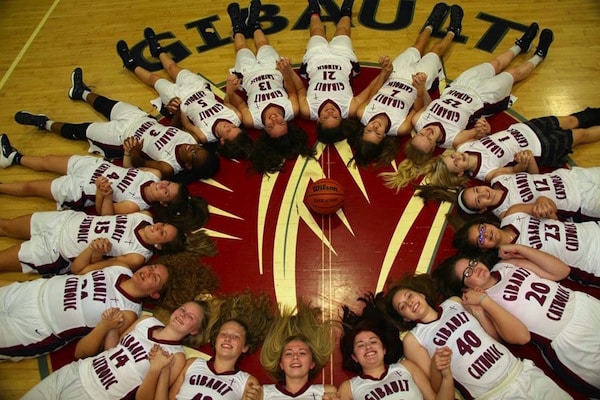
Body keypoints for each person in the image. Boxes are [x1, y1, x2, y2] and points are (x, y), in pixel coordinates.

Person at [380, 24, 555, 190]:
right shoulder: (454, 139)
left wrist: (421, 87)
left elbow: (428, 104)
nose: (427, 132)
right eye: (428, 138)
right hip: (483, 96)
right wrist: (483, 128)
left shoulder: (419, 121)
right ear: (434, 147)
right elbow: (480, 133)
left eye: (421, 134)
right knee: (513, 74)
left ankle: (520, 45)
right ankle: (539, 55)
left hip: (459, 85)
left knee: (496, 63)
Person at [433, 244, 600, 396]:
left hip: (582, 306)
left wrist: (520, 249)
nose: (475, 269)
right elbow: (517, 338)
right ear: (464, 287)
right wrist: (482, 303)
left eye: (473, 263)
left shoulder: (506, 265)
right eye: (467, 272)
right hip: (570, 339)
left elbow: (561, 271)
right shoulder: (483, 303)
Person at [14, 68, 219, 184]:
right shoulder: (190, 140)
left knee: (80, 130)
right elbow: (174, 128)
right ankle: (81, 92)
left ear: (189, 166)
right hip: (142, 119)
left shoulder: (168, 167)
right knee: (107, 104)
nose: (192, 148)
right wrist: (175, 113)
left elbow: (139, 164)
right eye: (197, 148)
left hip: (122, 136)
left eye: (193, 154)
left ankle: (44, 123)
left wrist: (136, 152)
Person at [383, 273, 571, 399]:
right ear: (405, 318)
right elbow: (435, 385)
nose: (409, 304)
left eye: (409, 296)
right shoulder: (413, 339)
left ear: (422, 295)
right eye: (402, 307)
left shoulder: (454, 303)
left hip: (521, 372)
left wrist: (479, 312)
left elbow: (494, 338)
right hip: (492, 394)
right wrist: (436, 366)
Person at [21, 300, 210, 400]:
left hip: (100, 396)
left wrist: (155, 369)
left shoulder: (176, 358)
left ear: (194, 331)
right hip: (78, 371)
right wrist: (110, 326)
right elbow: (112, 349)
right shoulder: (146, 321)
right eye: (183, 310)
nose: (182, 315)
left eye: (190, 317)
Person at [349, 2, 461, 166]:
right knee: (435, 51)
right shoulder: (400, 128)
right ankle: (453, 30)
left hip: (394, 75)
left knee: (417, 46)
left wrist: (384, 71)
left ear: (363, 130)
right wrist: (420, 88)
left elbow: (374, 93)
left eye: (369, 130)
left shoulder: (362, 114)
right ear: (384, 138)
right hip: (416, 83)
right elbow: (417, 109)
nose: (375, 126)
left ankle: (431, 24)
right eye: (378, 133)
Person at [116, 29, 253, 160]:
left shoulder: (205, 136)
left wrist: (180, 108)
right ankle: (158, 50)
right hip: (199, 89)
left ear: (222, 140)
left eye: (228, 131)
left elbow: (187, 125)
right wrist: (230, 90)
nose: (229, 126)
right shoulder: (236, 117)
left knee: (155, 79)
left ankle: (131, 65)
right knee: (173, 68)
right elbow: (227, 103)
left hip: (181, 99)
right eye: (234, 127)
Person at [0, 137, 209, 219]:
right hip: (95, 166)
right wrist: (128, 153)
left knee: (31, 187)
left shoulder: (134, 207)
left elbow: (103, 214)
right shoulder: (153, 175)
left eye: (166, 191)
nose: (163, 184)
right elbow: (128, 169)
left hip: (82, 189)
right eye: (169, 184)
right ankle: (14, 157)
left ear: (163, 202)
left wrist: (103, 193)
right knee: (47, 160)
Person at [0, 263, 169, 361]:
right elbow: (80, 269)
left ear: (153, 294)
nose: (147, 272)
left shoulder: (129, 311)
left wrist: (105, 326)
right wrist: (94, 250)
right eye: (152, 267)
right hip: (34, 290)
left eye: (154, 278)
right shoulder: (121, 269)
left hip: (38, 326)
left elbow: (83, 353)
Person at [226, 0, 315, 174]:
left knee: (242, 47)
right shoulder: (291, 110)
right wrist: (286, 72)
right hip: (272, 71)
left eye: (271, 125)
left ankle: (237, 26)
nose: (274, 119)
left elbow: (240, 104)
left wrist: (230, 90)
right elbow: (291, 90)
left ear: (265, 130)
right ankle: (254, 23)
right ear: (287, 123)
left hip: (248, 75)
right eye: (280, 122)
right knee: (263, 44)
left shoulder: (252, 120)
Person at [298, 0, 391, 144]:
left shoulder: (308, 110)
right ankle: (347, 9)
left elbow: (298, 89)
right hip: (342, 59)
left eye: (325, 117)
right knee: (343, 31)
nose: (330, 112)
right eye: (335, 117)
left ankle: (314, 9)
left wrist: (286, 71)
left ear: (317, 121)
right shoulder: (350, 109)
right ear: (342, 119)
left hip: (315, 60)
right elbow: (369, 90)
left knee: (316, 31)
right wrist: (384, 73)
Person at [338, 293, 455, 400]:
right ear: (354, 357)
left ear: (384, 349)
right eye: (360, 345)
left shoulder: (406, 367)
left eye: (373, 342)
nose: (368, 347)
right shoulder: (349, 388)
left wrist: (446, 376)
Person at [166, 290, 276, 399]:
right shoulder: (192, 363)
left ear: (245, 347)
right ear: (216, 339)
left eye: (235, 336)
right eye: (223, 334)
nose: (228, 339)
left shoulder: (247, 382)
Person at [0, 210, 185, 275]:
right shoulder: (144, 216)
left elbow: (87, 270)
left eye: (162, 233)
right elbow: (106, 215)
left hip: (56, 250)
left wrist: (95, 251)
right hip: (63, 221)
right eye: (164, 224)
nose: (158, 226)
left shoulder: (137, 257)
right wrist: (103, 193)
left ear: (159, 246)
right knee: (5, 226)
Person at [415, 166, 600, 221]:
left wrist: (527, 159)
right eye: (478, 200)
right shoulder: (507, 213)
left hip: (572, 176)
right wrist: (545, 203)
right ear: (482, 210)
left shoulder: (498, 178)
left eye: (477, 190)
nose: (482, 194)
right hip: (582, 202)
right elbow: (548, 215)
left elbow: (533, 175)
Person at [452, 210, 600, 278]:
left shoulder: (512, 214)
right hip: (592, 260)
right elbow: (558, 274)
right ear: (482, 250)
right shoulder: (511, 262)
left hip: (591, 230)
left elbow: (553, 214)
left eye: (482, 229)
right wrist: (519, 248)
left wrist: (544, 206)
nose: (486, 234)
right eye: (480, 239)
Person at [259, 300, 337, 399]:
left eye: (302, 353)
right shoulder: (262, 393)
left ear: (312, 363)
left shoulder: (326, 392)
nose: (295, 357)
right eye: (288, 353)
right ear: (281, 364)